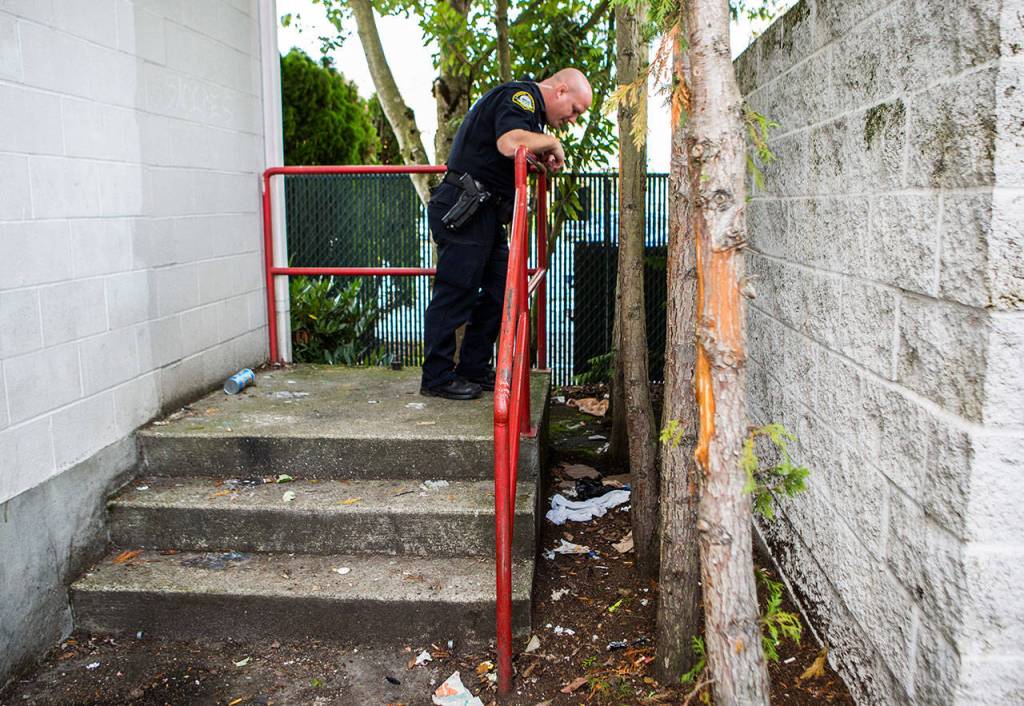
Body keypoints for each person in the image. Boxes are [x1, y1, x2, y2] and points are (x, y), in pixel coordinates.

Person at [420, 68, 593, 400]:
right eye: (574, 110)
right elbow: (508, 143)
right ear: (559, 91)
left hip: (484, 212)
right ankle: (437, 377)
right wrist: (551, 143)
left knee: (503, 292)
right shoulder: (522, 98)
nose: (572, 120)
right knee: (455, 293)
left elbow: (509, 149)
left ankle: (471, 367)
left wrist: (540, 155)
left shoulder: (530, 116)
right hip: (465, 207)